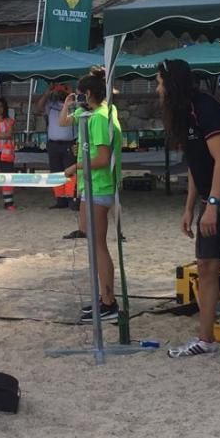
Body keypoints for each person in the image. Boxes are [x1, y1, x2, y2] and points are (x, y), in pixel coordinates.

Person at [157, 59, 220, 372]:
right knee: (205, 265)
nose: (157, 88)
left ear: (173, 83)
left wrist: (212, 204)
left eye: (160, 81)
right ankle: (206, 338)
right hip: (212, 196)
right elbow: (196, 164)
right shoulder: (180, 113)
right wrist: (191, 206)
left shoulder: (205, 108)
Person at [59, 68, 123, 321]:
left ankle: (109, 302)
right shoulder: (102, 112)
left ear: (87, 94)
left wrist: (76, 166)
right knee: (91, 238)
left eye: (79, 94)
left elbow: (101, 157)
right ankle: (104, 299)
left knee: (98, 246)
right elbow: (64, 122)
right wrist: (67, 104)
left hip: (98, 186)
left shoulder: (97, 118)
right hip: (95, 186)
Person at [36, 84, 76, 210]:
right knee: (56, 173)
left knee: (70, 173)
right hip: (53, 144)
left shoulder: (73, 106)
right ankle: (60, 200)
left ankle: (71, 199)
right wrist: (48, 92)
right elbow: (38, 108)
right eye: (58, 91)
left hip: (69, 144)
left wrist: (71, 93)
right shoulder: (51, 105)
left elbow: (82, 105)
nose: (60, 93)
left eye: (62, 91)